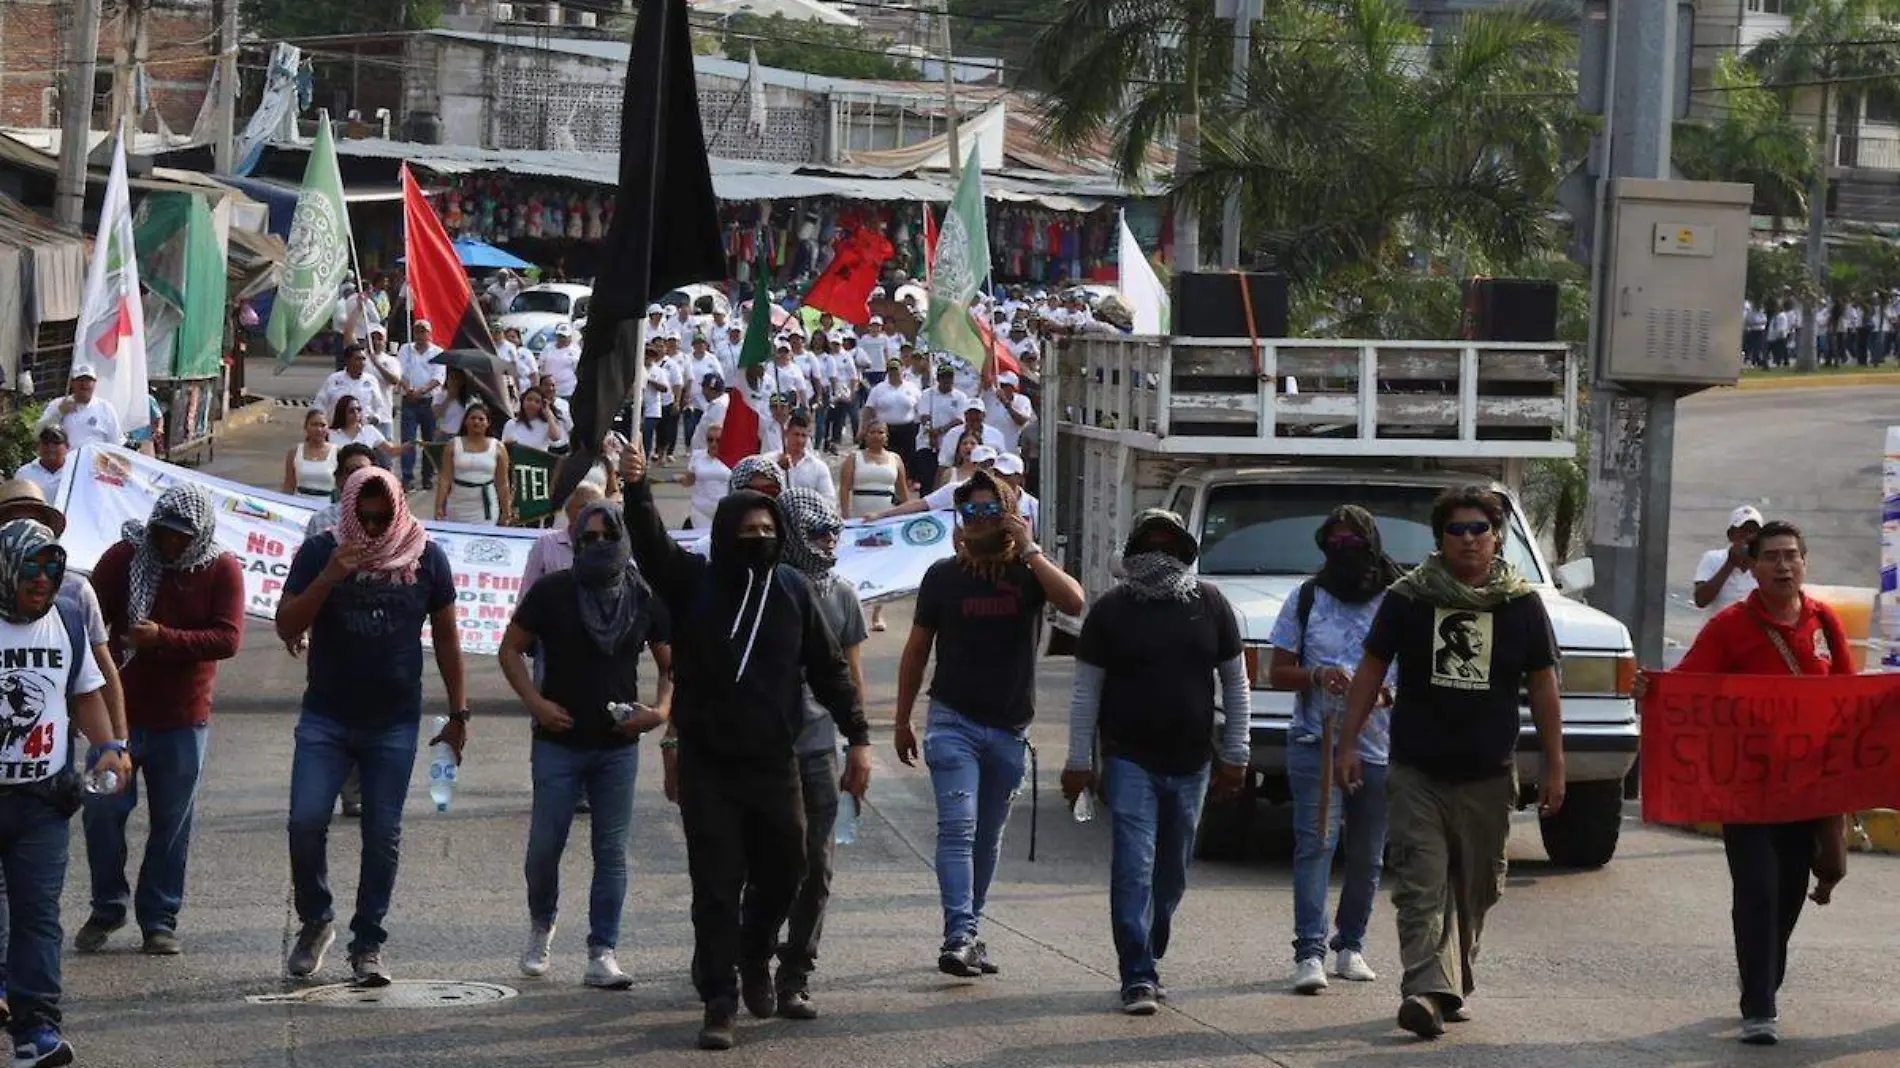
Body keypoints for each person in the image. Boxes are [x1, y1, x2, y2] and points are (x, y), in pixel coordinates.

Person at [618, 445, 871, 1052]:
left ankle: (757, 953)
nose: (758, 537)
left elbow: (831, 670)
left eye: (767, 529)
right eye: (747, 529)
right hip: (709, 763)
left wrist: (858, 737)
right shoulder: (694, 586)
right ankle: (719, 1001)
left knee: (789, 868)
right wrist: (635, 489)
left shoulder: (791, 590)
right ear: (726, 533)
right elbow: (651, 544)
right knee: (715, 884)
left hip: (774, 763)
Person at [1335, 485, 1564, 1040]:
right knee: (1421, 883)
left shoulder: (1520, 605)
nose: (1468, 539)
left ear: (1496, 537)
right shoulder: (1409, 598)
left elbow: (1543, 686)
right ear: (1439, 538)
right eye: (1456, 529)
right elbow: (1370, 669)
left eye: (1479, 529)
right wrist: (1348, 742)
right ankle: (1423, 989)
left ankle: (1449, 982)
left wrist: (1554, 763)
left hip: (1488, 773)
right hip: (1418, 769)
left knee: (1477, 888)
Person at [1659, 519, 1852, 1046]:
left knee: (1789, 893)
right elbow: (1688, 684)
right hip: (1745, 789)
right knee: (1758, 891)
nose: (1783, 565)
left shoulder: (1823, 621)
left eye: (1792, 555)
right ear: (1754, 565)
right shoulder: (1729, 627)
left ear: (1804, 564)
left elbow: (1848, 701)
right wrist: (1651, 690)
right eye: (1772, 557)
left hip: (1807, 788)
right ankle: (1759, 1005)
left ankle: (1763, 978)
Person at [275, 467, 467, 987]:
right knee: (305, 822)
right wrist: (329, 576)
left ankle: (368, 943)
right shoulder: (323, 551)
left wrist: (458, 714)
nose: (375, 524)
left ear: (399, 506)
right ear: (350, 507)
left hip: (393, 721)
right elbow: (287, 624)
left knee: (382, 834)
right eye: (365, 513)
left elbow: (448, 639)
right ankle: (316, 921)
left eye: (383, 513)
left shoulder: (426, 556)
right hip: (327, 716)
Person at [893, 470, 1086, 978]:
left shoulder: (1026, 574)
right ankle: (958, 934)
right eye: (969, 511)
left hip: (1008, 730)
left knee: (987, 837)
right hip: (951, 721)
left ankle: (969, 932)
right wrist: (901, 719)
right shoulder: (943, 576)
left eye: (988, 510)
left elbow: (1075, 602)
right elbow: (916, 651)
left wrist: (1031, 548)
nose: (977, 520)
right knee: (958, 829)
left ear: (1008, 514)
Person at [1062, 508, 1248, 1014]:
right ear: (1132, 551)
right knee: (1133, 866)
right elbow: (1085, 695)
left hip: (1192, 761)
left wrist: (1236, 752)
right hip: (1129, 759)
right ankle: (1137, 974)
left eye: (1170, 548)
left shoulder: (1211, 604)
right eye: (1150, 547)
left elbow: (1235, 683)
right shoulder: (1110, 611)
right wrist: (1080, 761)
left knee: (1171, 874)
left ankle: (1151, 949)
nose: (1160, 558)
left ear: (1186, 551)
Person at [500, 500, 673, 990]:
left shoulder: (641, 596)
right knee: (544, 848)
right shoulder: (552, 592)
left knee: (611, 849)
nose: (596, 545)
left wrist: (659, 713)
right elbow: (510, 649)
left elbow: (671, 666)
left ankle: (603, 951)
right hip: (558, 741)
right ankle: (542, 924)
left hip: (617, 745)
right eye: (586, 538)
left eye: (605, 536)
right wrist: (535, 703)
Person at [76, 486, 243, 958]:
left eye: (181, 537)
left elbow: (227, 638)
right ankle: (107, 906)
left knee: (171, 823)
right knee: (103, 815)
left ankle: (159, 919)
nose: (171, 544)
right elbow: (90, 624)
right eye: (164, 534)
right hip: (116, 720)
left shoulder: (220, 567)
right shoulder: (124, 559)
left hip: (183, 719)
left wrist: (164, 638)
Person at [0, 518, 126, 1068]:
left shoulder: (69, 619)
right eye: (32, 566)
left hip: (43, 801)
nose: (43, 579)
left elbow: (87, 695)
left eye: (52, 567)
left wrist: (109, 747)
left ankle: (37, 1032)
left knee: (38, 916)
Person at [1267, 506, 1402, 995]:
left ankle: (1352, 944)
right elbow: (1278, 671)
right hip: (1314, 739)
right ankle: (1309, 951)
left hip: (1378, 745)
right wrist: (1319, 676)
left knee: (1367, 853)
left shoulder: (1397, 600)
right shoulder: (1306, 598)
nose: (1344, 553)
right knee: (1316, 844)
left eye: (1354, 544)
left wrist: (1383, 693)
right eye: (1335, 545)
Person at [751, 487, 867, 1020]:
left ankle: (795, 972)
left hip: (821, 750)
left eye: (833, 533)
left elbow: (850, 675)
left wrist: (859, 746)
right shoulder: (759, 591)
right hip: (763, 751)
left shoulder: (841, 593)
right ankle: (747, 957)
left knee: (817, 869)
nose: (827, 543)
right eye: (816, 533)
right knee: (765, 865)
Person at [434, 405, 513, 525]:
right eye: (472, 418)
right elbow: (445, 479)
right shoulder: (453, 445)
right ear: (465, 421)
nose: (476, 422)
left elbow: (502, 483)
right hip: (457, 504)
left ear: (488, 423)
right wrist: (439, 506)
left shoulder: (498, 447)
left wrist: (506, 511)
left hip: (486, 506)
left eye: (481, 419)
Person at [397, 321, 446, 490]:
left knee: (429, 441)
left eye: (423, 331)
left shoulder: (438, 352)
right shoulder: (405, 349)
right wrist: (409, 389)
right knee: (408, 439)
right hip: (409, 400)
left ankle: (427, 476)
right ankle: (407, 476)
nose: (420, 334)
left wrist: (421, 391)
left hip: (429, 401)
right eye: (417, 331)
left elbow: (438, 377)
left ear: (429, 333)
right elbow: (400, 372)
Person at [1694, 505, 1763, 618]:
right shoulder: (1712, 558)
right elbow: (1701, 600)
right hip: (1717, 632)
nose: (1748, 536)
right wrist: (1730, 564)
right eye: (1742, 531)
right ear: (1731, 535)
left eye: (1753, 531)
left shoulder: (1765, 563)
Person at [36, 366, 123, 450]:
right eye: (80, 380)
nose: (84, 384)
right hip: (66, 462)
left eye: (88, 380)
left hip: (95, 462)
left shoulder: (106, 408)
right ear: (72, 383)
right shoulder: (58, 404)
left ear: (95, 383)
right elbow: (37, 433)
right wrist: (59, 413)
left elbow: (116, 444)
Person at [313, 346, 389, 434]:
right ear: (347, 360)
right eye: (357, 359)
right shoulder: (334, 379)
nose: (362, 363)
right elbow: (319, 403)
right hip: (336, 430)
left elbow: (379, 405)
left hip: (363, 431)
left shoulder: (371, 380)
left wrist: (375, 418)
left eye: (363, 359)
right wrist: (321, 422)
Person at [916, 365, 966, 491]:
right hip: (927, 444)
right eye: (943, 377)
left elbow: (959, 420)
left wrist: (939, 431)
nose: (946, 380)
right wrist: (930, 432)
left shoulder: (960, 397)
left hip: (950, 445)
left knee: (946, 481)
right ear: (938, 378)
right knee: (927, 482)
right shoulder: (927, 394)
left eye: (949, 377)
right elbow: (924, 417)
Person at [865, 358, 920, 465]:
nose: (894, 373)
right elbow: (869, 409)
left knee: (906, 461)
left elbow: (920, 408)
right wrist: (864, 428)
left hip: (907, 430)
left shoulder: (912, 388)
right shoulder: (878, 389)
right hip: (885, 430)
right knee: (885, 459)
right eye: (891, 370)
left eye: (896, 369)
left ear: (902, 370)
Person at [681, 424, 732, 531]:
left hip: (725, 510)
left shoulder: (733, 458)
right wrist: (683, 479)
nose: (713, 444)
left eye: (718, 440)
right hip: (700, 510)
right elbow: (688, 482)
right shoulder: (697, 456)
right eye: (710, 440)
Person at [775, 413, 836, 500]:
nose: (800, 440)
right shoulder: (771, 461)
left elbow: (829, 499)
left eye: (803, 436)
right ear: (786, 433)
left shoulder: (819, 467)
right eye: (796, 434)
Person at [938, 399, 1006, 475]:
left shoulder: (996, 434)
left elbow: (1001, 461)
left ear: (984, 415)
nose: (973, 417)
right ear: (965, 415)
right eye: (970, 413)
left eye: (977, 413)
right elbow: (944, 464)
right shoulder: (952, 434)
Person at [283, 410, 338, 498]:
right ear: (306, 427)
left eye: (323, 425)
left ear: (328, 428)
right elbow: (289, 485)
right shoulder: (294, 452)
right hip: (300, 504)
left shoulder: (337, 452)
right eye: (314, 424)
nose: (319, 429)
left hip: (327, 505)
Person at [328, 395, 392, 467]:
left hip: (364, 473)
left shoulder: (369, 430)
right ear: (342, 412)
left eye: (358, 409)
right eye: (351, 411)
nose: (356, 413)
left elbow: (391, 450)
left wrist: (407, 445)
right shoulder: (330, 434)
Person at [503, 387, 569, 454]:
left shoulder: (547, 424)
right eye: (529, 399)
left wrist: (548, 413)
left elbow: (555, 437)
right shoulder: (511, 423)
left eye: (537, 402)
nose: (532, 403)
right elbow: (504, 446)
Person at [983, 373, 1035, 454]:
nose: (999, 387)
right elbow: (985, 377)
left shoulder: (1023, 400)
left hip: (1011, 451)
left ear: (1012, 387)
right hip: (989, 449)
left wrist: (1005, 403)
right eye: (998, 384)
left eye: (1003, 385)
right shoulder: (990, 397)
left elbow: (1021, 421)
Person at [14, 429, 69, 503]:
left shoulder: (77, 472)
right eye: (46, 443)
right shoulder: (24, 473)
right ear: (38, 447)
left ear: (67, 447)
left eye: (56, 443)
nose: (50, 447)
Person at [991, 453, 1038, 534]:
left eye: (1005, 475)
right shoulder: (983, 502)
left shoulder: (1033, 506)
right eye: (996, 474)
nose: (998, 479)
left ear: (1019, 478)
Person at [541, 323, 583, 400]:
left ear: (570, 337)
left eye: (564, 337)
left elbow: (579, 370)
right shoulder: (548, 348)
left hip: (567, 391)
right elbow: (541, 365)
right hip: (549, 390)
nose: (562, 339)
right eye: (560, 336)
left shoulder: (575, 350)